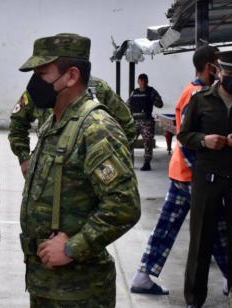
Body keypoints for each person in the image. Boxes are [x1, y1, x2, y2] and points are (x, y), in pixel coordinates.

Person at [18, 33, 140, 307]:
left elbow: (124, 205)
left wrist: (74, 247)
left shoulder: (95, 127)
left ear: (71, 76)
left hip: (79, 291)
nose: (34, 83)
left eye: (42, 73)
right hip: (48, 284)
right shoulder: (55, 122)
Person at [131, 46, 231, 296]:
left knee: (168, 225)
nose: (223, 70)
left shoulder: (192, 90)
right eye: (220, 64)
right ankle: (231, 277)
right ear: (211, 67)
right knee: (218, 229)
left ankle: (144, 274)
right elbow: (188, 137)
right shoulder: (200, 94)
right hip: (195, 176)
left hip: (182, 173)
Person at [178, 49, 232, 308]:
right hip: (208, 178)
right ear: (218, 71)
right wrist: (204, 140)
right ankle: (194, 299)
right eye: (229, 73)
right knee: (201, 240)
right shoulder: (202, 100)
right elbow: (184, 135)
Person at [8, 76, 136, 177]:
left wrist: (110, 162)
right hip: (46, 175)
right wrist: (24, 158)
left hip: (87, 180)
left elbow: (128, 126)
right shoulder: (39, 89)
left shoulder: (99, 88)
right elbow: (17, 122)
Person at [127, 73, 164, 171]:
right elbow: (128, 105)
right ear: (138, 82)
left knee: (147, 143)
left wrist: (153, 99)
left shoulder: (151, 92)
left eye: (144, 80)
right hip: (134, 121)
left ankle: (147, 163)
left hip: (147, 122)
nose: (143, 82)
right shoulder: (134, 92)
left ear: (147, 81)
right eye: (141, 80)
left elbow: (160, 104)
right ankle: (129, 162)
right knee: (128, 141)